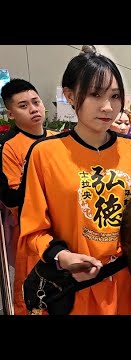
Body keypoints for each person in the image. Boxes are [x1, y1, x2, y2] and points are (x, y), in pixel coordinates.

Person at [17, 51, 131, 315]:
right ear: (71, 95)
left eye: (115, 96)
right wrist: (64, 258)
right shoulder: (45, 153)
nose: (108, 107)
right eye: (95, 95)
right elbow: (32, 231)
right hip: (76, 289)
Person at [0, 78, 57, 314]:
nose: (34, 109)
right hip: (32, 233)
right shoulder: (8, 146)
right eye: (23, 106)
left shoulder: (59, 138)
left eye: (36, 102)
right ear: (10, 114)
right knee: (33, 296)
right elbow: (12, 198)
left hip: (69, 227)